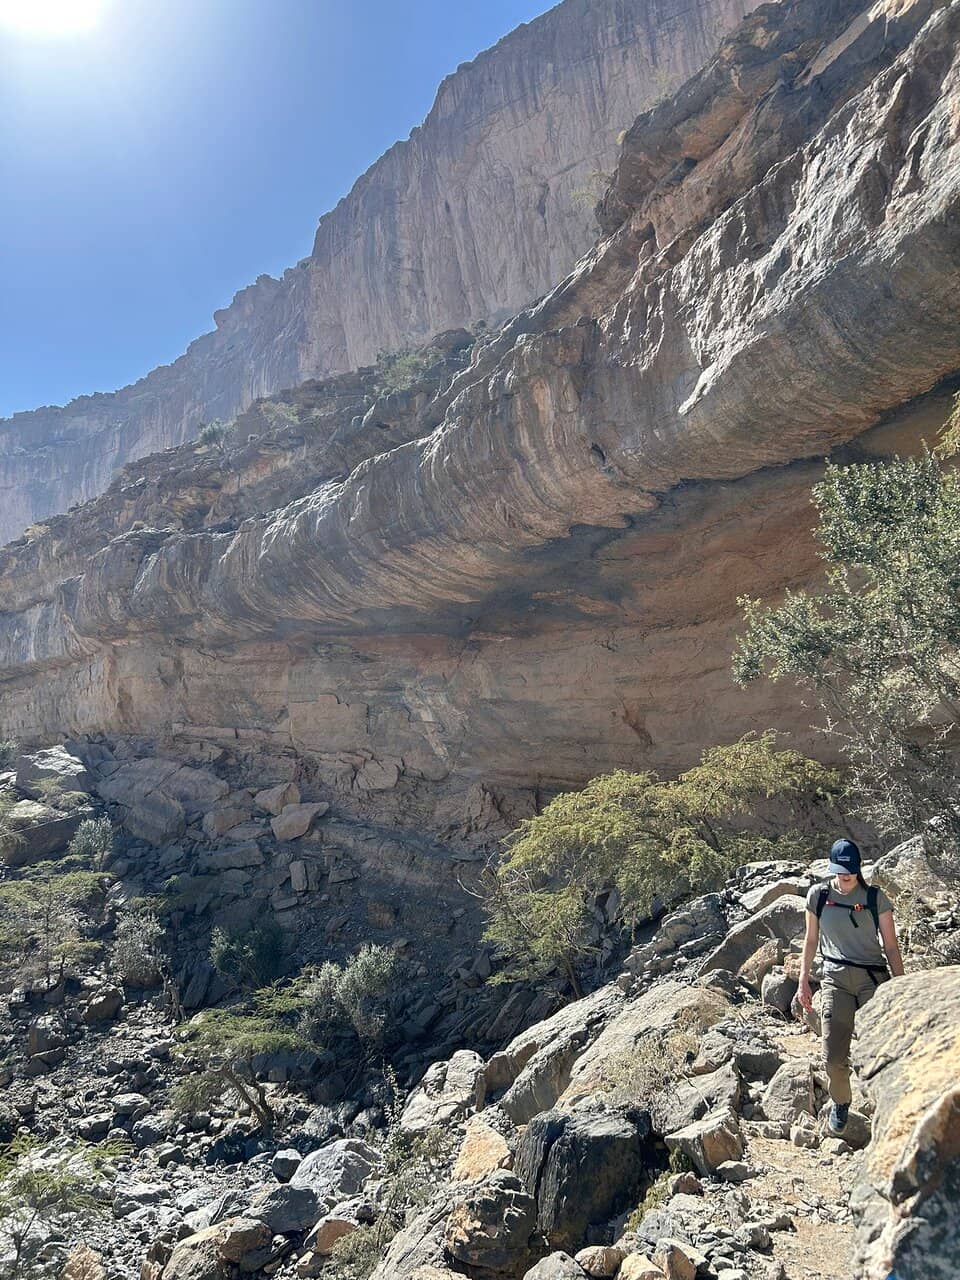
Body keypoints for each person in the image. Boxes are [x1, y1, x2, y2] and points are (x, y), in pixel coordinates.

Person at [798, 838, 904, 1136]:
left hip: (873, 979)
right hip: (834, 980)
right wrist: (803, 980)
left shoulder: (874, 898)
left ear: (858, 868)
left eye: (850, 869)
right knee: (833, 1057)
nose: (845, 875)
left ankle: (890, 1108)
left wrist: (901, 988)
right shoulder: (818, 896)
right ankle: (841, 1102)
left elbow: (892, 948)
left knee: (881, 1050)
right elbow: (810, 940)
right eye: (840, 869)